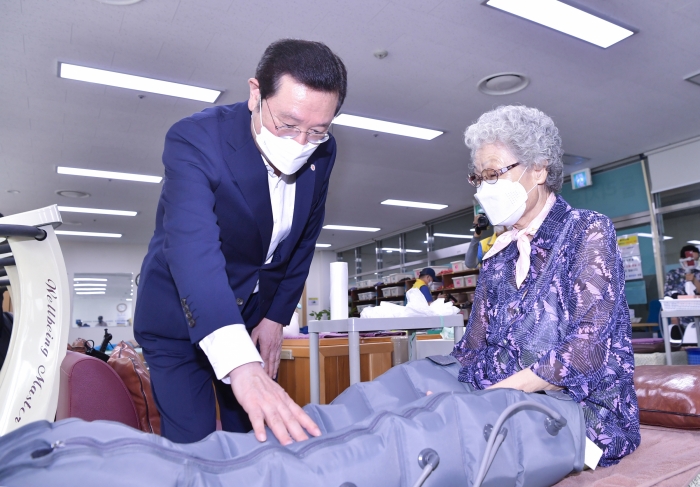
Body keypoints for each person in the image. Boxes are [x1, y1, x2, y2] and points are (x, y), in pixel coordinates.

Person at [134, 39, 347, 445]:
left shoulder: (325, 150)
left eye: (317, 130)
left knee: (253, 437)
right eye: (288, 124)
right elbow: (192, 250)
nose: (301, 143)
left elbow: (303, 239)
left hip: (252, 317)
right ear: (255, 94)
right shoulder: (195, 140)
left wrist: (274, 318)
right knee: (196, 445)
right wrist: (240, 364)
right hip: (177, 319)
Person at [451, 105, 639, 466]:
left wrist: (489, 397)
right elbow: (472, 347)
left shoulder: (587, 230)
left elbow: (586, 352)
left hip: (580, 416)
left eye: (493, 173)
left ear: (538, 169)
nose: (484, 189)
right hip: (502, 405)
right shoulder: (498, 255)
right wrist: (441, 387)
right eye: (478, 178)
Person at [664, 244, 700, 326]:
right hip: (681, 317)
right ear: (683, 259)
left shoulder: (698, 274)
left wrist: (694, 280)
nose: (694, 263)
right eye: (691, 260)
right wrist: (674, 317)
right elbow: (668, 296)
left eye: (696, 260)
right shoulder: (673, 274)